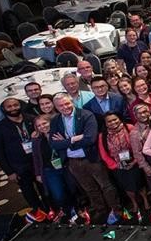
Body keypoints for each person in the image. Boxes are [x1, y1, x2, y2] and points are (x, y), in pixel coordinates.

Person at [49, 93, 123, 222]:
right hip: (73, 162)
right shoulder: (55, 120)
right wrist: (73, 139)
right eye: (61, 105)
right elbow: (53, 143)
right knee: (89, 188)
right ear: (56, 107)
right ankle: (101, 210)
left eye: (67, 103)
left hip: (91, 158)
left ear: (72, 102)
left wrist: (65, 142)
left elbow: (90, 139)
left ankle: (117, 210)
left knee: (106, 186)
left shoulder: (86, 115)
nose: (65, 107)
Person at [0, 97, 47, 211]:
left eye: (16, 105)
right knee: (28, 191)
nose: (13, 108)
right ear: (4, 109)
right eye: (9, 107)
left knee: (45, 188)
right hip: (19, 166)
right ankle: (38, 212)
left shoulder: (32, 119)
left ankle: (50, 210)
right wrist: (9, 172)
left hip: (38, 162)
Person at [98, 112, 151, 214]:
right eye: (109, 121)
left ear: (119, 119)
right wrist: (116, 165)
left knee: (139, 183)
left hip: (134, 160)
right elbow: (104, 154)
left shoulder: (129, 128)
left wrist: (135, 161)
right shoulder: (102, 136)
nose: (113, 122)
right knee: (127, 186)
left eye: (115, 119)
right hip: (118, 165)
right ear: (105, 123)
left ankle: (145, 200)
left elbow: (138, 146)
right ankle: (134, 203)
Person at [31, 114, 71, 214]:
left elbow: (69, 148)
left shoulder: (60, 133)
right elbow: (36, 157)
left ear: (51, 122)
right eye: (39, 125)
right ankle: (67, 212)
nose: (42, 127)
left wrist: (63, 141)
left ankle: (78, 210)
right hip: (50, 170)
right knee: (58, 195)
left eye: (44, 123)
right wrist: (38, 174)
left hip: (66, 166)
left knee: (72, 189)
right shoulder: (36, 140)